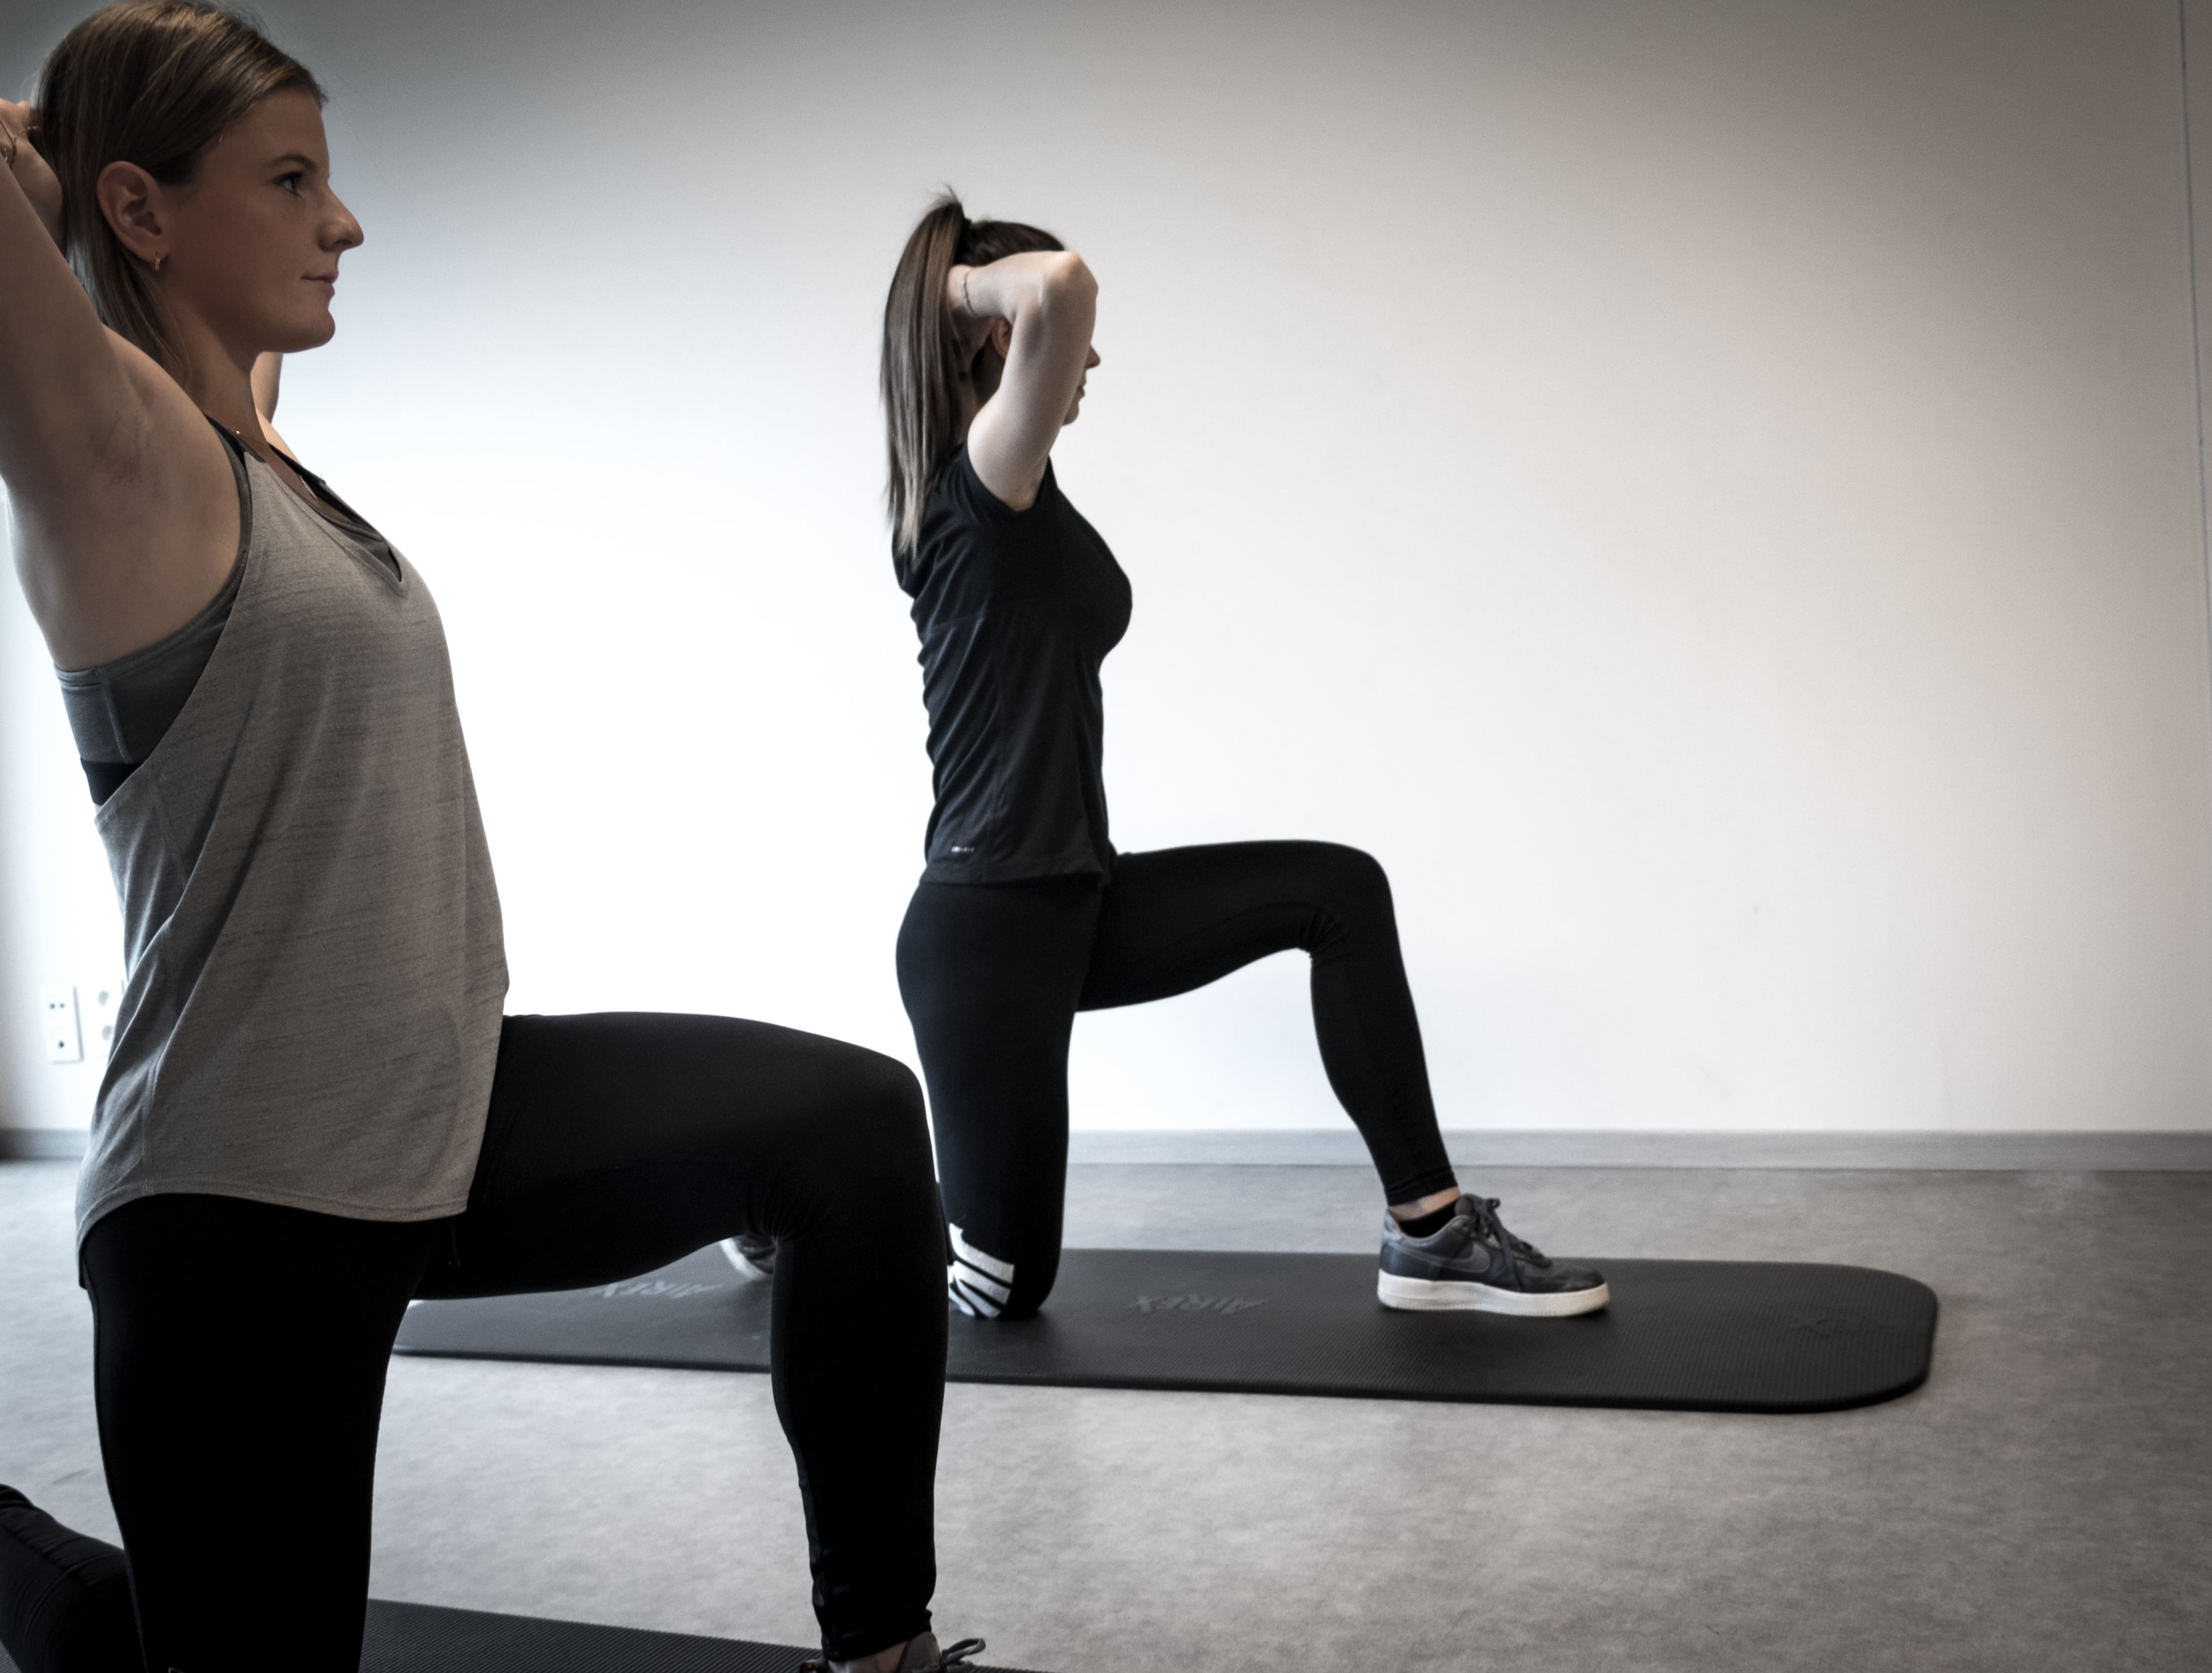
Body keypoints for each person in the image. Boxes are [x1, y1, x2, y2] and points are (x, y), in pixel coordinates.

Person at [0, 9, 973, 1671]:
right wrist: (48, 140)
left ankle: (879, 1648)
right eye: (292, 178)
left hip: (449, 1120)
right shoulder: (116, 461)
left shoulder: (259, 447)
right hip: (241, 1204)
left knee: (853, 1125)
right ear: (142, 212)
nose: (346, 218)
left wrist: (100, 148)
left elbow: (166, 255)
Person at [872, 194, 1610, 1325]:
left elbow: (1061, 303)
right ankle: (804, 1195)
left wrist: (985, 305)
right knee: (1000, 1287)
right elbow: (1063, 286)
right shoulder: (979, 482)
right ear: (987, 334)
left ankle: (1429, 1232)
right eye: (1045, 339)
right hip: (988, 935)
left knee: (1337, 890)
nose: (1091, 357)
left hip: (1076, 901)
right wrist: (958, 288)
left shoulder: (1020, 492)